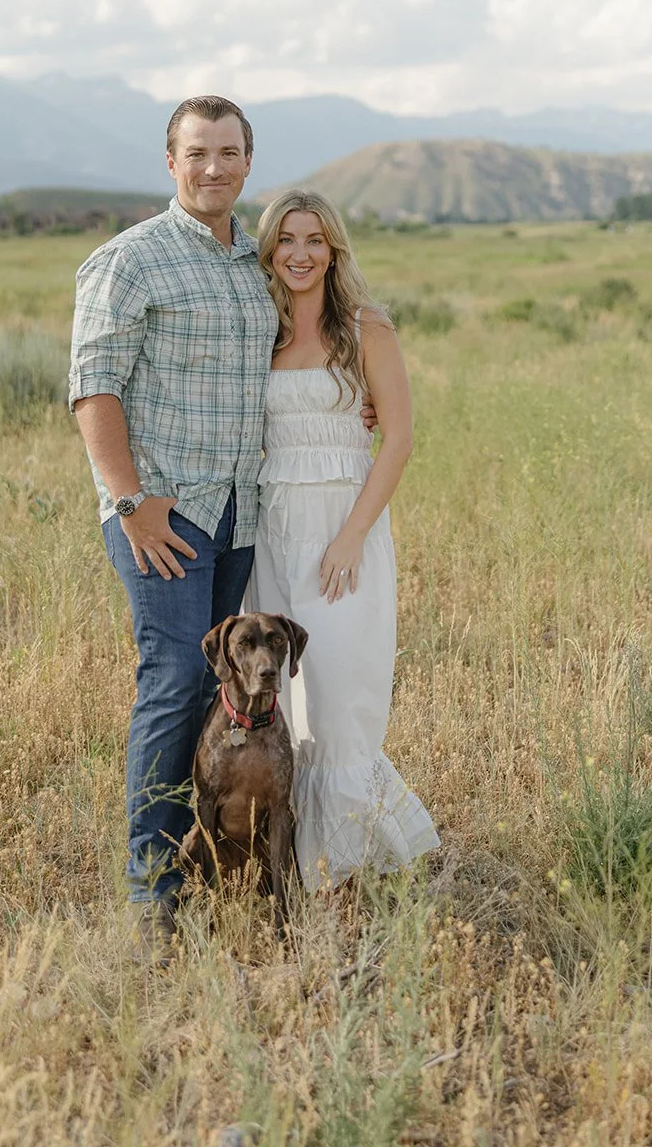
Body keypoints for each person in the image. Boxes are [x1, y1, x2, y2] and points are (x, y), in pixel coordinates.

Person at [68, 96, 278, 956]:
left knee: (222, 697)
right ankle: (151, 895)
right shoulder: (129, 261)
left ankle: (206, 861)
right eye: (197, 153)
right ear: (170, 162)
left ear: (247, 162)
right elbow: (93, 386)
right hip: (162, 515)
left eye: (228, 153)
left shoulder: (250, 263)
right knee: (173, 685)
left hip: (240, 510)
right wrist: (128, 498)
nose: (213, 168)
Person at [248, 188, 440, 890]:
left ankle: (341, 871)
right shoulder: (257, 331)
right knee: (287, 703)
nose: (300, 254)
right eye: (286, 240)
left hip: (342, 533)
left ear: (333, 250)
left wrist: (350, 538)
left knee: (336, 696)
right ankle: (293, 868)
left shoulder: (366, 329)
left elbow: (399, 440)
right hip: (273, 532)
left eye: (314, 240)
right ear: (269, 251)